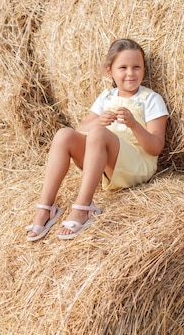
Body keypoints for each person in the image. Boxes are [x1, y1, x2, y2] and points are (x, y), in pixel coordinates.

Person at [25, 38, 169, 241]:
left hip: (136, 166)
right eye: (123, 67)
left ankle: (83, 207)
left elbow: (156, 147)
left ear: (144, 69)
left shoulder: (151, 99)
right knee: (64, 135)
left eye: (137, 67)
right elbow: (81, 130)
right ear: (110, 71)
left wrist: (134, 125)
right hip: (104, 166)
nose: (130, 73)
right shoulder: (106, 97)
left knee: (99, 134)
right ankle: (46, 207)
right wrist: (99, 121)